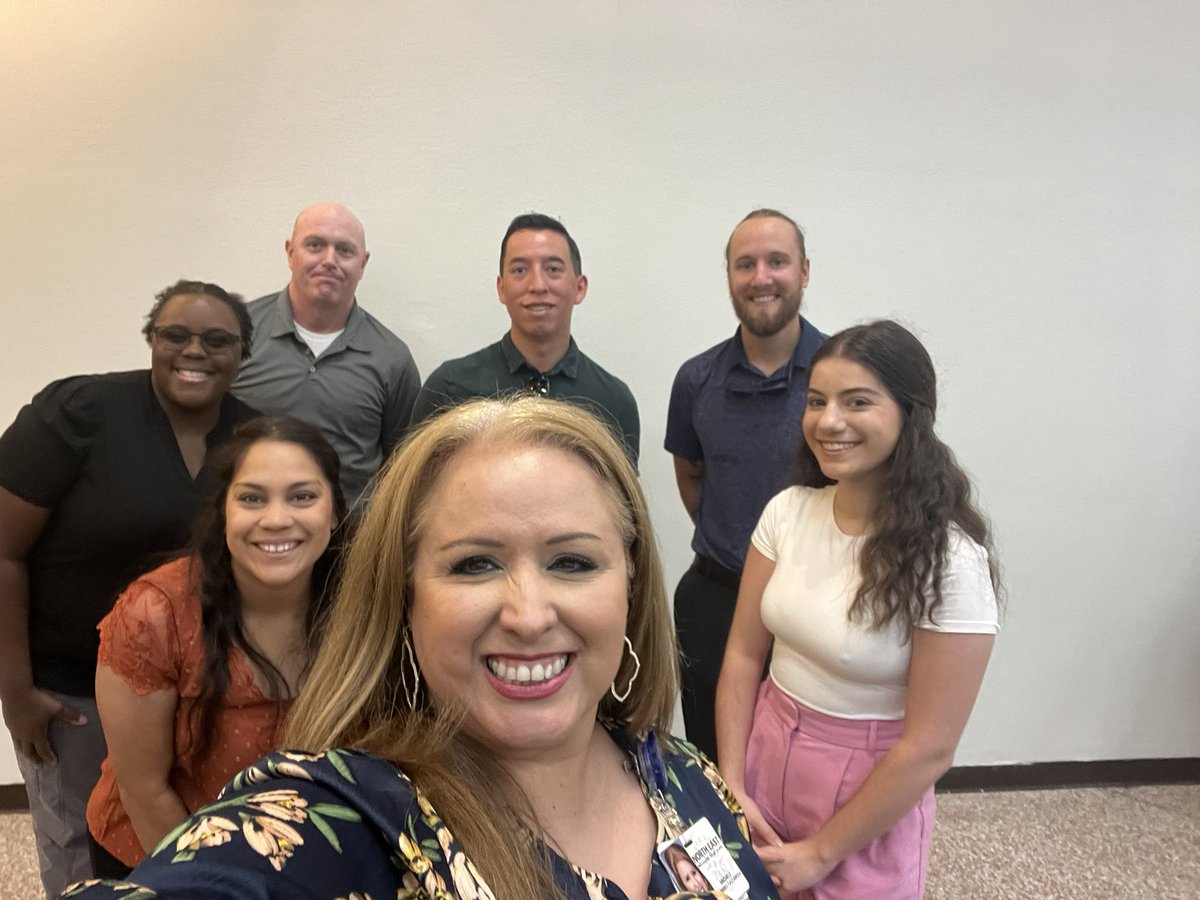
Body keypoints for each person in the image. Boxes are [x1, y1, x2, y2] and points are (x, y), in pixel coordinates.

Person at [63, 397, 777, 899]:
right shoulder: (342, 821)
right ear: (405, 603)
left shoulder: (687, 775)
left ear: (631, 585)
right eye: (474, 564)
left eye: (572, 562)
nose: (529, 615)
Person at [715, 320, 1001, 898]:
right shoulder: (788, 511)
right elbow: (744, 657)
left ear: (909, 413)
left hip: (868, 789)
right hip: (765, 748)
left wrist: (822, 854)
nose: (829, 421)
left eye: (857, 401)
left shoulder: (950, 560)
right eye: (817, 401)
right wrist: (732, 782)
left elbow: (930, 747)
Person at [0, 280, 258, 898]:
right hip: (70, 689)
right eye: (176, 335)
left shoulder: (254, 436)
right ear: (151, 339)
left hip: (202, 687)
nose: (194, 351)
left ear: (243, 354)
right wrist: (15, 694)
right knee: (80, 848)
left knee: (178, 839)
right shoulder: (78, 411)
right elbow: (3, 553)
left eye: (217, 340)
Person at [85, 416, 346, 877]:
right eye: (251, 498)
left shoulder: (360, 604)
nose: (277, 519)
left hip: (298, 858)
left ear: (335, 511)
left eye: (303, 496)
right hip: (162, 852)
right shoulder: (155, 613)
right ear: (224, 511)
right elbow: (144, 790)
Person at [665, 208, 826, 759]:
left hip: (818, 601)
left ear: (804, 271)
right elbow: (692, 477)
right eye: (745, 264)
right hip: (715, 598)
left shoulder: (840, 374)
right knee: (715, 757)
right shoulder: (695, 379)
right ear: (729, 276)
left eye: (777, 261)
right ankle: (722, 849)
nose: (761, 277)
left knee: (799, 757)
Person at [410, 213, 640, 465]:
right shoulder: (448, 388)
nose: (538, 285)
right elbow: (414, 492)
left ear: (580, 287)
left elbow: (619, 502)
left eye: (553, 269)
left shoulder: (614, 401)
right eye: (520, 270)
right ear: (501, 288)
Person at [233, 202, 421, 508]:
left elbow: (402, 470)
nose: (329, 260)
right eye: (315, 245)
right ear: (290, 253)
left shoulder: (392, 358)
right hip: (252, 532)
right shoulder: (238, 333)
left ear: (363, 263)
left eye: (344, 250)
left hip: (350, 545)